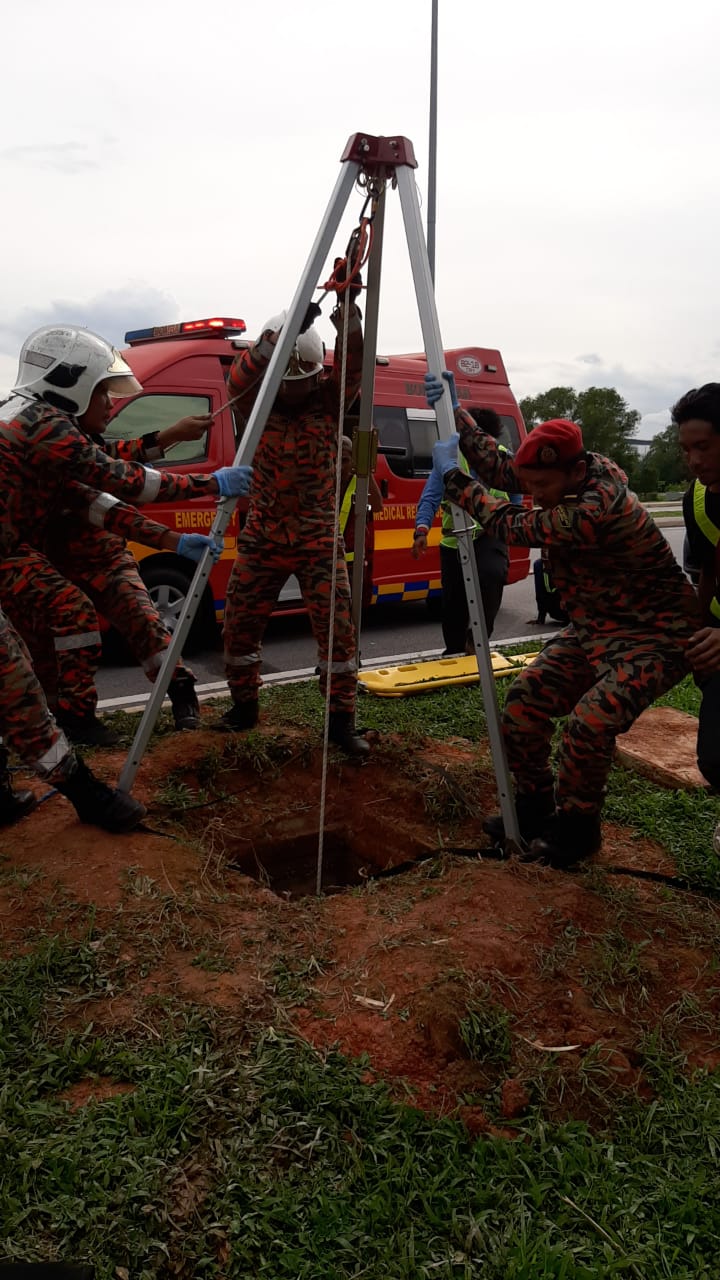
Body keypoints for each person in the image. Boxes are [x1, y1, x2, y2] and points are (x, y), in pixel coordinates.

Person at [425, 370, 699, 868]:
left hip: (654, 637)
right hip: (594, 628)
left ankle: (577, 834)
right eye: (533, 486)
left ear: (573, 473)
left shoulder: (599, 506)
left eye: (544, 487)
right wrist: (457, 412)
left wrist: (453, 481)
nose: (535, 493)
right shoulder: (561, 477)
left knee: (589, 725)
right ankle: (534, 810)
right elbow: (506, 470)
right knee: (524, 703)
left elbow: (514, 523)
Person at [0, 325, 251, 745]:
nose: (110, 403)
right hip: (28, 555)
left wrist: (167, 442)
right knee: (64, 625)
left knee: (140, 626)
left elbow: (103, 489)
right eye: (102, 392)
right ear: (72, 386)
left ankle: (169, 695)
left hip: (66, 555)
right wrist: (208, 484)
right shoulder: (50, 429)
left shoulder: (30, 419)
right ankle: (66, 723)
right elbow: (119, 482)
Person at [220, 296, 369, 758]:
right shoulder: (256, 400)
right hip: (263, 533)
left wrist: (348, 313)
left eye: (301, 382)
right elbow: (237, 378)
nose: (293, 391)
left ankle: (340, 722)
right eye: (286, 382)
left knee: (338, 633)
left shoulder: (328, 399)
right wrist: (271, 344)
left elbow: (355, 364)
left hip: (316, 534)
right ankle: (244, 707)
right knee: (239, 625)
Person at [412, 407, 511, 653]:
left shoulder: (502, 458)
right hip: (454, 541)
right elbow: (430, 497)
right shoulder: (449, 459)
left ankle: (477, 640)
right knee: (453, 606)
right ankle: (455, 651)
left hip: (490, 535)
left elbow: (516, 499)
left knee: (492, 575)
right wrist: (421, 530)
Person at [672, 384, 720, 795]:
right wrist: (700, 626)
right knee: (715, 758)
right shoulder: (698, 499)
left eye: (703, 447)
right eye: (687, 450)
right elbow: (707, 569)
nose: (694, 461)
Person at [339, 433, 383, 610]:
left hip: (352, 563)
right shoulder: (323, 482)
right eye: (336, 460)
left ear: (353, 461)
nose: (340, 466)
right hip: (327, 560)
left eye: (345, 460)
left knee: (353, 613)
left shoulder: (360, 483)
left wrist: (364, 471)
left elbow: (377, 506)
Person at [527, 557, 569, 627]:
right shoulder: (539, 565)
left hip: (572, 608)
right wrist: (541, 617)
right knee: (538, 564)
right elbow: (539, 593)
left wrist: (564, 598)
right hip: (557, 611)